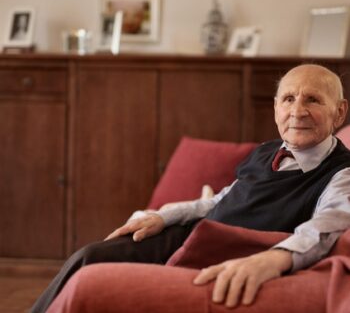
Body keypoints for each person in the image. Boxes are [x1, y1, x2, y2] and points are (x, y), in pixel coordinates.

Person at [32, 64, 350, 312]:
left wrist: (276, 258)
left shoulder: (341, 171)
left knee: (92, 275)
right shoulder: (268, 150)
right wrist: (166, 215)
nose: (297, 111)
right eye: (289, 99)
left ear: (339, 112)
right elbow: (225, 197)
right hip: (193, 232)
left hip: (222, 250)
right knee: (90, 256)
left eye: (313, 99)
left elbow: (328, 225)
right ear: (276, 107)